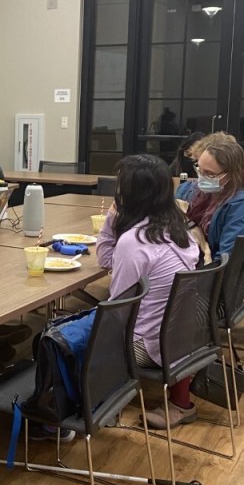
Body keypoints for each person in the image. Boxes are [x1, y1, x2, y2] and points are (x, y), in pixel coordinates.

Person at [97, 154, 200, 429]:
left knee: (70, 336)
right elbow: (111, 260)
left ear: (132, 195)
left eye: (121, 188)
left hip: (149, 347)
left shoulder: (134, 241)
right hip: (181, 337)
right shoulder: (180, 229)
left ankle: (100, 405)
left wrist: (110, 221)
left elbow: (118, 309)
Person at [177, 133, 244, 259]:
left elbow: (225, 261)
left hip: (216, 269)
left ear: (231, 174)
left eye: (209, 174)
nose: (201, 178)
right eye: (199, 170)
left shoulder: (242, 207)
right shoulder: (199, 191)